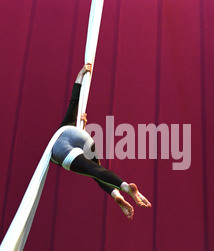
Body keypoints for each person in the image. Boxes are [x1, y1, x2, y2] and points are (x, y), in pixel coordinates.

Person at [51, 63, 151, 219]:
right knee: (96, 170)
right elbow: (74, 101)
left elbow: (74, 101)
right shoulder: (67, 125)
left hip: (61, 150)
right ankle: (118, 192)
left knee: (93, 171)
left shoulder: (53, 147)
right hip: (79, 135)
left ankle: (122, 189)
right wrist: (81, 73)